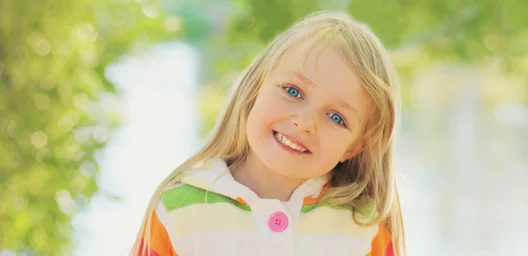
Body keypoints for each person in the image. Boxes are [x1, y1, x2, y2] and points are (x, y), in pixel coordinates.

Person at [132, 10, 406, 256]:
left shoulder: (365, 227)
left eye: (336, 118)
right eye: (293, 91)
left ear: (354, 147)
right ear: (257, 87)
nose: (304, 122)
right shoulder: (178, 211)